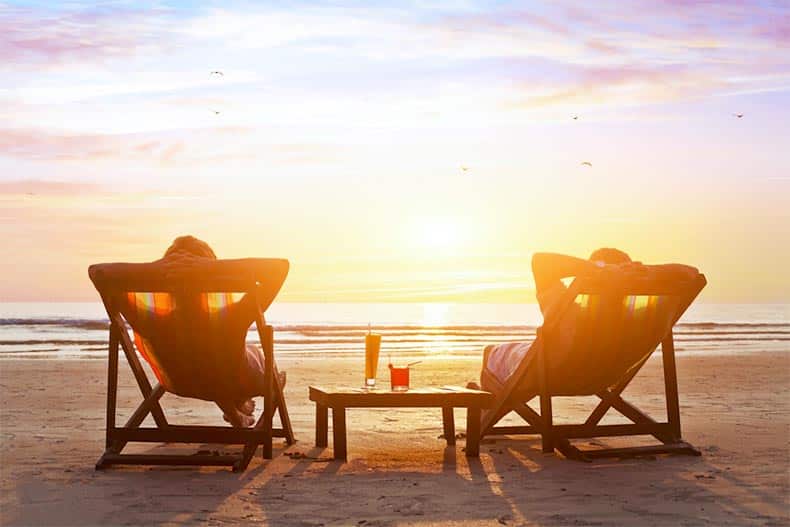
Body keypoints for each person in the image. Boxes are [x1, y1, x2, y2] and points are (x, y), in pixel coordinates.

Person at [468, 248, 634, 391]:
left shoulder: (571, 312)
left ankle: (484, 408)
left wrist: (599, 267)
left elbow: (540, 261)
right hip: (602, 376)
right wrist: (629, 272)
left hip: (554, 372)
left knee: (492, 352)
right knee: (516, 353)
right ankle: (486, 400)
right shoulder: (634, 320)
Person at [161, 235, 283, 428]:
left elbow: (97, 272)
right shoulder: (231, 317)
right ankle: (240, 403)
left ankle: (235, 410)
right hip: (234, 381)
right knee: (248, 355)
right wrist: (207, 268)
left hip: (181, 381)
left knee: (215, 362)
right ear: (213, 277)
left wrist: (161, 268)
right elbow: (279, 269)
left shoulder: (156, 320)